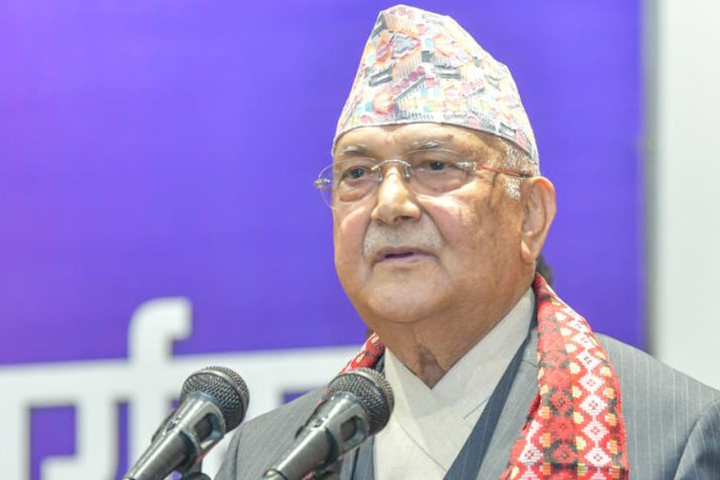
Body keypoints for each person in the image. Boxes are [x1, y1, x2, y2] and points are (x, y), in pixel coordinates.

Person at [217, 5, 720, 479]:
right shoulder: (268, 456)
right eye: (358, 173)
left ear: (529, 214)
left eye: (436, 165)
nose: (389, 204)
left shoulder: (670, 435)